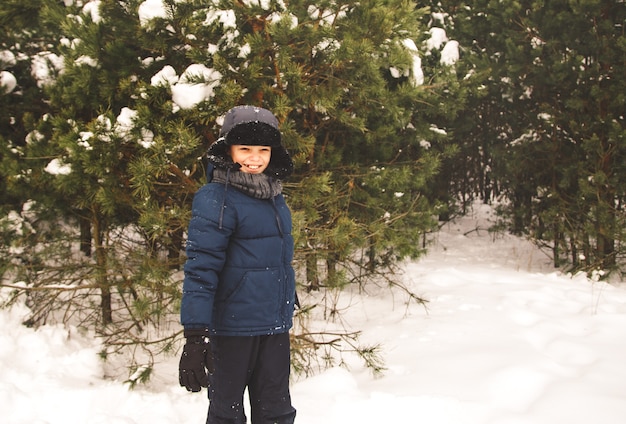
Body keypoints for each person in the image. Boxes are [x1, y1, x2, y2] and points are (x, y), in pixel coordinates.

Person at [178, 105, 297, 424]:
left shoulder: (274, 194)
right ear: (227, 149)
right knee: (226, 414)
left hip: (273, 326)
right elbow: (201, 269)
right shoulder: (216, 197)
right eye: (245, 148)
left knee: (277, 413)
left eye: (263, 149)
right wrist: (194, 334)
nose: (254, 157)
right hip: (232, 328)